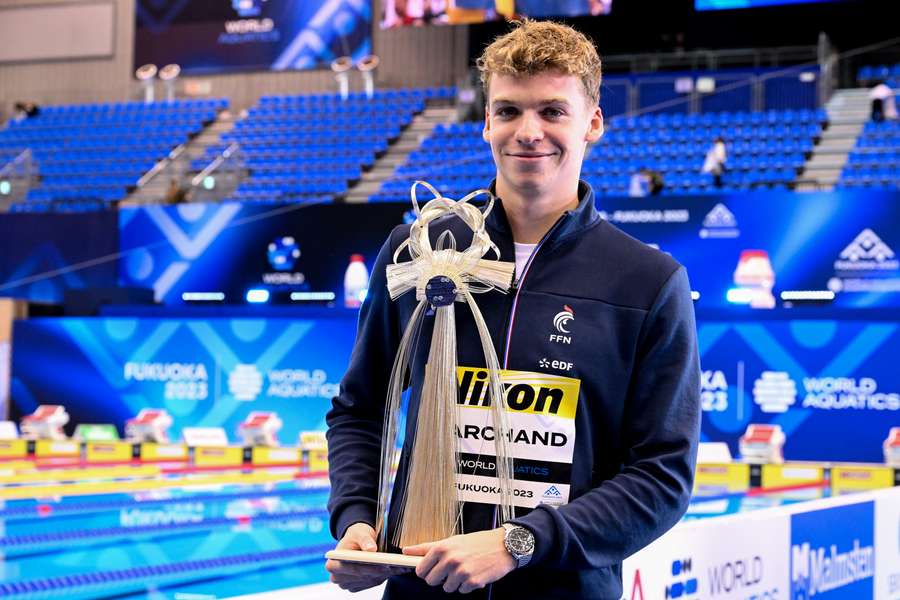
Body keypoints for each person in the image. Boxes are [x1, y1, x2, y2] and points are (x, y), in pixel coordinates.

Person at [326, 19, 700, 600]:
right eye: (508, 111)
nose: (528, 132)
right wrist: (355, 519)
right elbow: (359, 408)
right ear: (486, 123)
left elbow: (661, 477)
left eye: (552, 111)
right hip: (423, 586)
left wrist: (516, 542)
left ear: (592, 124)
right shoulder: (418, 249)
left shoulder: (647, 282)